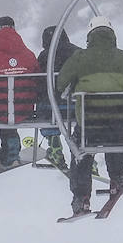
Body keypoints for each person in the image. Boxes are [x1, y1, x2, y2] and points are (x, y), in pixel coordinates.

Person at [55, 16, 123, 218]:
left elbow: (60, 85)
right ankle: (118, 174)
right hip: (119, 125)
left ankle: (81, 197)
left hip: (89, 126)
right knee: (117, 133)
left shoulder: (79, 58)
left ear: (89, 36)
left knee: (80, 148)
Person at [0, 16, 40, 178]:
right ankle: (11, 152)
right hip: (23, 109)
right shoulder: (29, 55)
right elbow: (38, 81)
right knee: (10, 107)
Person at [36, 25, 80, 169]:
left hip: (51, 109)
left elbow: (38, 83)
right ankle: (83, 154)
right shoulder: (78, 53)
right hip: (76, 108)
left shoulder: (44, 57)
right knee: (82, 121)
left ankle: (54, 142)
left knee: (44, 105)